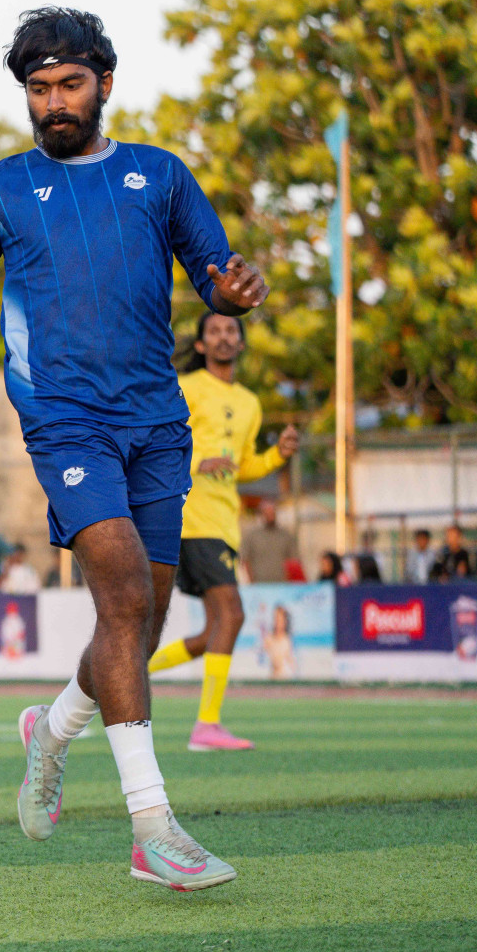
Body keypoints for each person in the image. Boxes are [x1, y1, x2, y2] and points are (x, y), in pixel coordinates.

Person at [0, 6, 266, 891]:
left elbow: (219, 274)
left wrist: (240, 289)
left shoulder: (161, 176)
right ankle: (152, 828)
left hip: (157, 422)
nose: (53, 102)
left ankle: (51, 732)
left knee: (142, 618)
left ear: (104, 83)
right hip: (64, 418)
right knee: (122, 595)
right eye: (38, 88)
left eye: (69, 84)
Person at [148, 313, 297, 752]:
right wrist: (198, 463)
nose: (223, 337)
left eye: (231, 330)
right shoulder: (186, 388)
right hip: (191, 518)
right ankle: (206, 726)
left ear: (242, 343)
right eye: (214, 331)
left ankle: (114, 680)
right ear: (200, 344)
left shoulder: (250, 403)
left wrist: (276, 455)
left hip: (225, 523)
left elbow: (242, 465)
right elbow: (158, 443)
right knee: (232, 615)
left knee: (212, 631)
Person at [239, 500, 296, 584]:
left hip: (282, 584)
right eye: (267, 513)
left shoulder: (285, 535)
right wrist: (251, 581)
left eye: (272, 513)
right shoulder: (252, 535)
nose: (270, 516)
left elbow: (293, 560)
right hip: (259, 584)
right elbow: (245, 559)